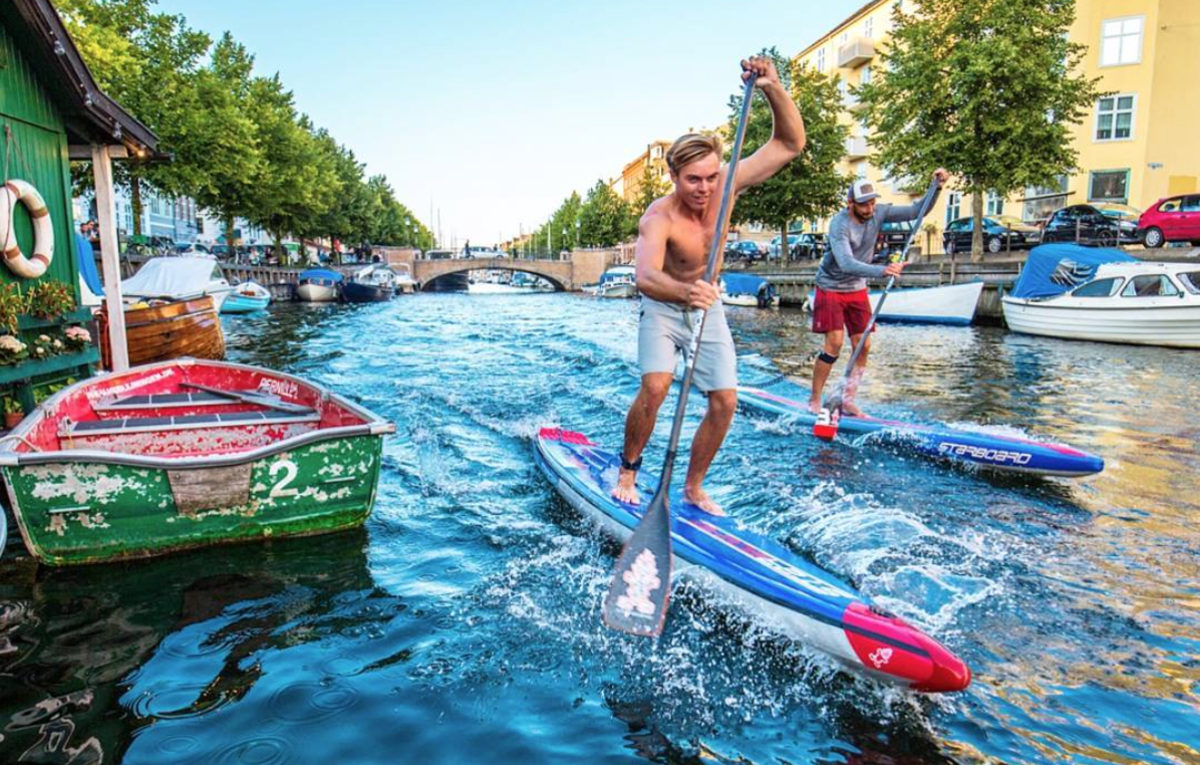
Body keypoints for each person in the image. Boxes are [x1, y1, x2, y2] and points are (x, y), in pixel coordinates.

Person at [612, 55, 806, 516]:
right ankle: (628, 470)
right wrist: (684, 293)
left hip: (707, 307)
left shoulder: (727, 185)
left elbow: (789, 143)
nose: (704, 188)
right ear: (674, 176)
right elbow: (645, 276)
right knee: (657, 386)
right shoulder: (657, 217)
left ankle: (693, 488)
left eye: (712, 178)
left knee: (725, 401)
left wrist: (772, 87)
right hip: (664, 305)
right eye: (693, 180)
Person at [808, 169, 948, 416]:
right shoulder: (839, 225)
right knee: (835, 344)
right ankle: (815, 399)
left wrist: (935, 187)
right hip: (831, 286)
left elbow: (918, 211)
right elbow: (846, 264)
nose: (870, 209)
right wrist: (883, 270)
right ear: (850, 203)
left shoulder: (879, 211)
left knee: (863, 345)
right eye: (864, 205)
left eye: (872, 202)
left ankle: (848, 400)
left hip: (857, 288)